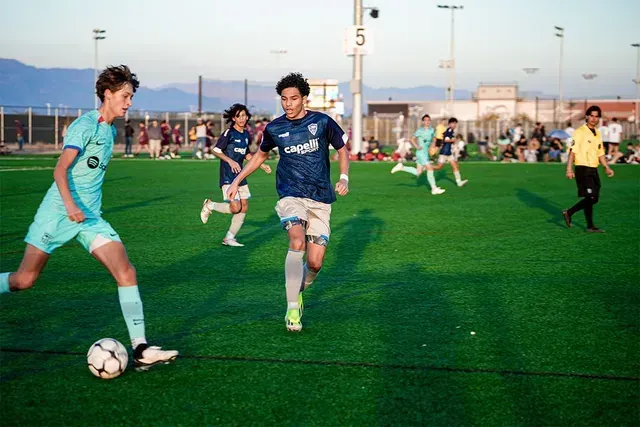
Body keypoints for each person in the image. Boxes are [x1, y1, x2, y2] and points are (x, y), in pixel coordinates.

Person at [0, 65, 178, 368]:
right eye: (125, 96)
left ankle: (141, 349)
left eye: (131, 96)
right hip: (59, 213)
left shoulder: (110, 129)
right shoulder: (86, 125)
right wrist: (70, 206)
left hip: (90, 218)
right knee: (25, 279)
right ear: (107, 95)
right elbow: (60, 170)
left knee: (126, 272)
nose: (129, 102)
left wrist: (83, 211)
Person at [226, 72, 349, 332]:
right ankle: (292, 307)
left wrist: (345, 178)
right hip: (290, 193)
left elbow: (341, 149)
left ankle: (297, 292)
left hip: (320, 198)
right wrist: (237, 181)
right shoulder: (275, 128)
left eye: (294, 98)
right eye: (284, 99)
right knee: (296, 240)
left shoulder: (322, 122)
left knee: (315, 263)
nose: (288, 104)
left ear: (304, 98)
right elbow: (259, 156)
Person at [200, 104, 272, 246]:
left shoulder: (246, 134)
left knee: (244, 206)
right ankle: (210, 205)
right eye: (238, 116)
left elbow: (246, 154)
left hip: (240, 175)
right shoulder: (229, 133)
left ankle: (229, 238)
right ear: (234, 118)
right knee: (235, 208)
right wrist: (230, 161)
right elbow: (216, 150)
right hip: (228, 175)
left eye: (244, 115)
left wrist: (261, 165)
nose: (242, 118)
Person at [562, 105, 614, 233]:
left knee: (592, 198)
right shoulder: (579, 132)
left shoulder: (598, 133)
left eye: (596, 116)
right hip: (582, 169)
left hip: (593, 169)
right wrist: (569, 169)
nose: (593, 118)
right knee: (591, 198)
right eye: (591, 115)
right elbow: (572, 151)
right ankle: (568, 212)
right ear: (586, 116)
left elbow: (600, 153)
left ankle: (590, 226)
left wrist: (607, 167)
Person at [390, 114, 445, 195]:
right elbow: (411, 139)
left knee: (418, 173)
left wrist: (433, 146)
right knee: (430, 168)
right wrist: (417, 146)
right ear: (423, 122)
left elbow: (434, 138)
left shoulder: (432, 130)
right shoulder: (420, 130)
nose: (427, 122)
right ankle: (434, 189)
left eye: (428, 120)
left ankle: (402, 167)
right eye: (425, 120)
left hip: (425, 153)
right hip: (421, 153)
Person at [433, 118, 468, 187]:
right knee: (438, 167)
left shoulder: (450, 130)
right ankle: (426, 167)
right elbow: (446, 140)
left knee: (455, 166)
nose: (454, 125)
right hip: (444, 152)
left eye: (455, 123)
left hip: (448, 152)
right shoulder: (449, 130)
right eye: (453, 123)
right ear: (449, 124)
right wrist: (453, 140)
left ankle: (459, 182)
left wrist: (452, 140)